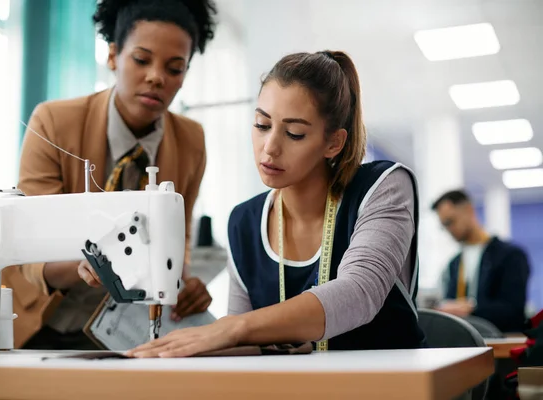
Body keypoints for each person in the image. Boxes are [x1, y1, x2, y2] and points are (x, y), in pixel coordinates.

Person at [125, 50, 426, 358]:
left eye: (295, 133)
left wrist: (232, 328)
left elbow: (360, 293)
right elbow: (246, 347)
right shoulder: (244, 221)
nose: (269, 148)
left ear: (334, 143)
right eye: (261, 124)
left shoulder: (383, 187)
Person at [1, 0, 218, 350]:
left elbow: (179, 240)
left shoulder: (191, 141)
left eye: (175, 69)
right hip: (39, 325)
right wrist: (88, 266)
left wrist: (184, 282)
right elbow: (31, 253)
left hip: (124, 335)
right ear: (114, 55)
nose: (157, 77)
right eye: (142, 60)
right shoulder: (53, 123)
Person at [432, 190, 530, 333]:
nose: (449, 229)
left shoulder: (510, 256)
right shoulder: (454, 264)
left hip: (502, 344)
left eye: (450, 221)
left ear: (469, 210)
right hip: (464, 343)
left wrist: (471, 308)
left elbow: (514, 310)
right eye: (444, 225)